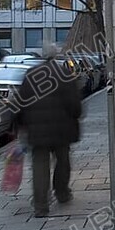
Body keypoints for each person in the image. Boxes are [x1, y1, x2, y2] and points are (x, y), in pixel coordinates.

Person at [15, 44, 83, 217]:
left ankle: (40, 205)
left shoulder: (31, 75)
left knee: (40, 166)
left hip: (36, 130)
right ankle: (61, 193)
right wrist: (75, 116)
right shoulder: (65, 74)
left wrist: (17, 124)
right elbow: (75, 105)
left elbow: (20, 103)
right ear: (56, 56)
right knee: (62, 161)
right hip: (62, 129)